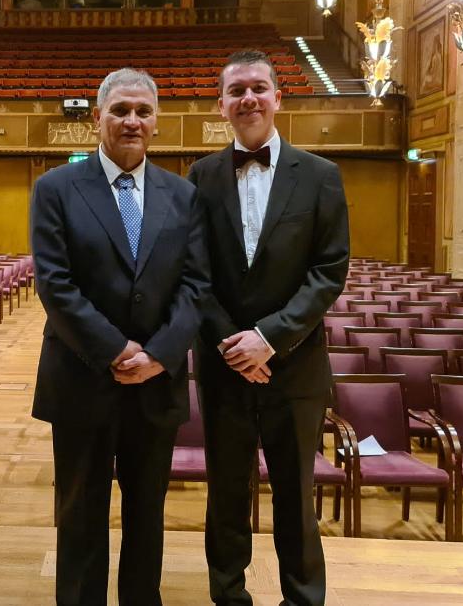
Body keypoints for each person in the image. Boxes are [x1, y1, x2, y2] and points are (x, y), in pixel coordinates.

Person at [31, 68, 209, 606]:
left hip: (156, 384)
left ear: (157, 121)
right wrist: (115, 350)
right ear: (97, 117)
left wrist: (157, 354)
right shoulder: (56, 188)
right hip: (83, 378)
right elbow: (54, 284)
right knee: (80, 514)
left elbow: (196, 285)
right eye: (120, 110)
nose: (132, 121)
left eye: (143, 111)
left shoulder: (184, 195)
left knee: (147, 516)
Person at [187, 50, 350, 606]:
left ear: (279, 97)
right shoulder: (201, 176)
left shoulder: (322, 175)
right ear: (222, 105)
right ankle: (228, 595)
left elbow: (329, 272)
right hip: (224, 363)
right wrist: (236, 345)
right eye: (236, 91)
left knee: (294, 494)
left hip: (296, 365)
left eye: (259, 87)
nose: (248, 99)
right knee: (227, 493)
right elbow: (195, 274)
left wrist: (270, 339)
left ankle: (303, 598)